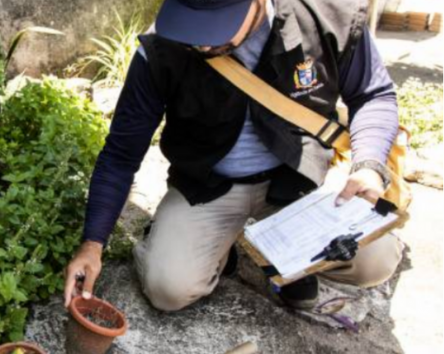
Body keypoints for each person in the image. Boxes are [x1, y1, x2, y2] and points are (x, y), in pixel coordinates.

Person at [64, 0, 404, 311]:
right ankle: (212, 248)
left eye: (217, 24)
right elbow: (121, 154)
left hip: (295, 182)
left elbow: (374, 95)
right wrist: (93, 243)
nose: (203, 43)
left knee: (376, 260)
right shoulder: (162, 47)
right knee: (168, 289)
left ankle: (286, 260)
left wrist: (369, 165)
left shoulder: (329, 15)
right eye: (192, 22)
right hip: (208, 185)